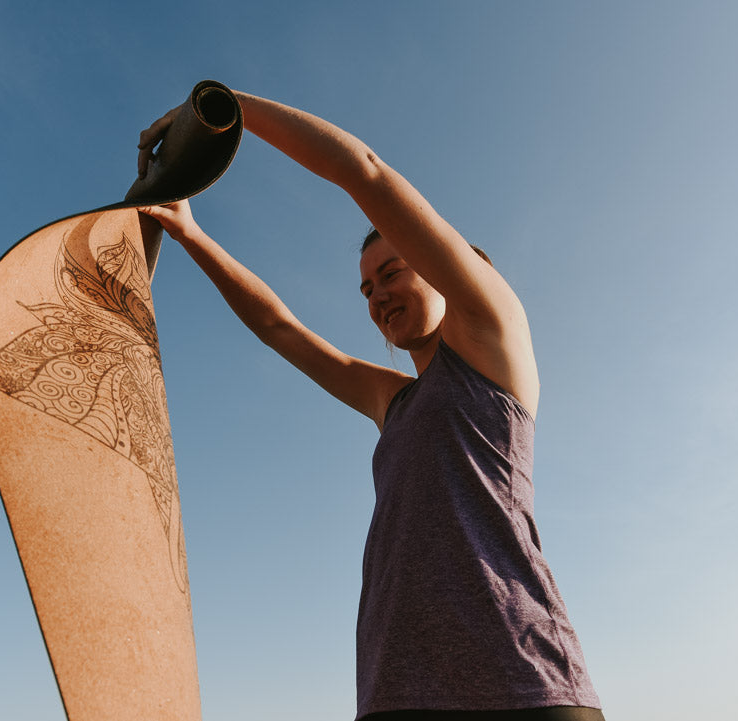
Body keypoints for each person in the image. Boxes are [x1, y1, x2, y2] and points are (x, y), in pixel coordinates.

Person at [137, 90, 604, 721]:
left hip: (519, 681)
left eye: (391, 272)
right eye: (365, 287)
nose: (376, 295)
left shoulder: (493, 340)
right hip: (399, 689)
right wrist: (188, 232)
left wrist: (226, 106)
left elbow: (365, 171)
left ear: (445, 269)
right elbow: (281, 329)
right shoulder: (393, 400)